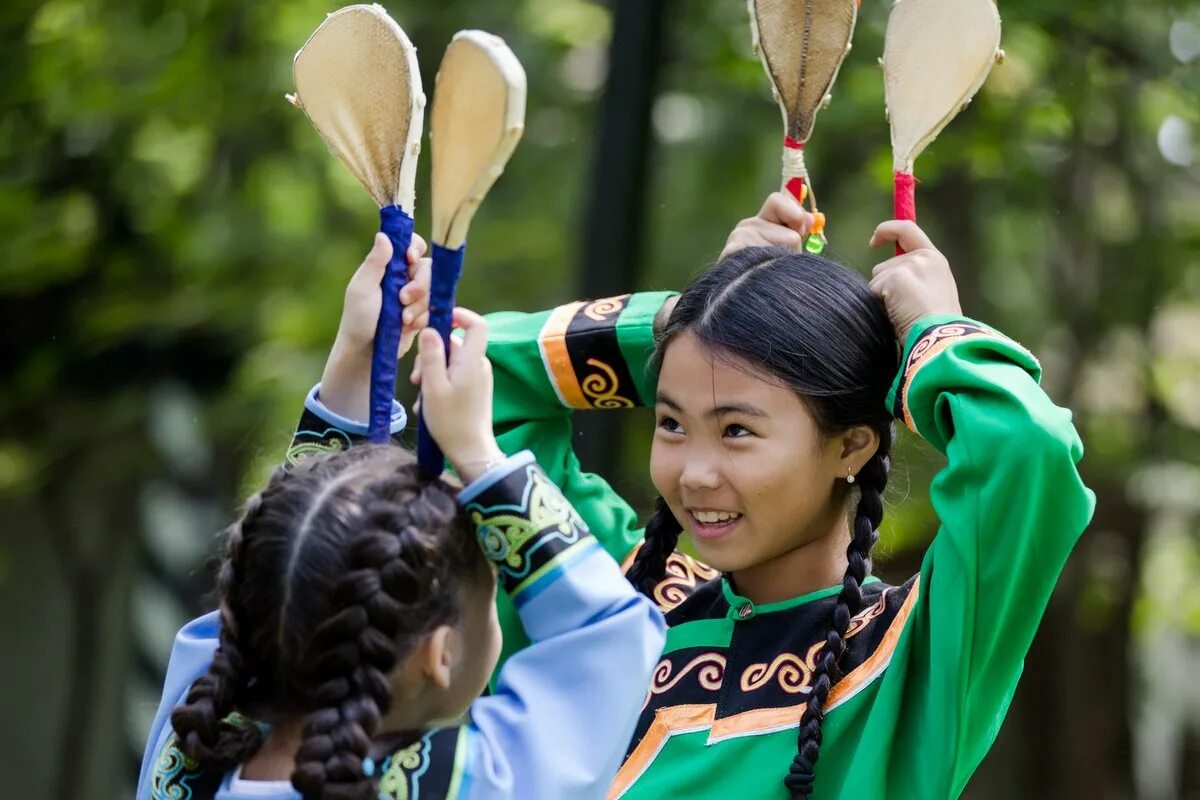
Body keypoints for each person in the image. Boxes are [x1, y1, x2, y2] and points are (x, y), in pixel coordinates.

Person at [458, 196, 1096, 799]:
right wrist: (698, 314)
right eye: (673, 423)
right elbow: (481, 383)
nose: (695, 474)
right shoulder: (608, 603)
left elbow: (1026, 450)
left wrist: (934, 332)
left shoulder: (912, 657)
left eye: (737, 430)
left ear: (852, 447)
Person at [136, 231, 666, 800]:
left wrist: (357, 366)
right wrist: (478, 455)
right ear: (440, 656)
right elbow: (611, 640)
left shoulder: (189, 757)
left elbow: (283, 576)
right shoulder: (466, 784)